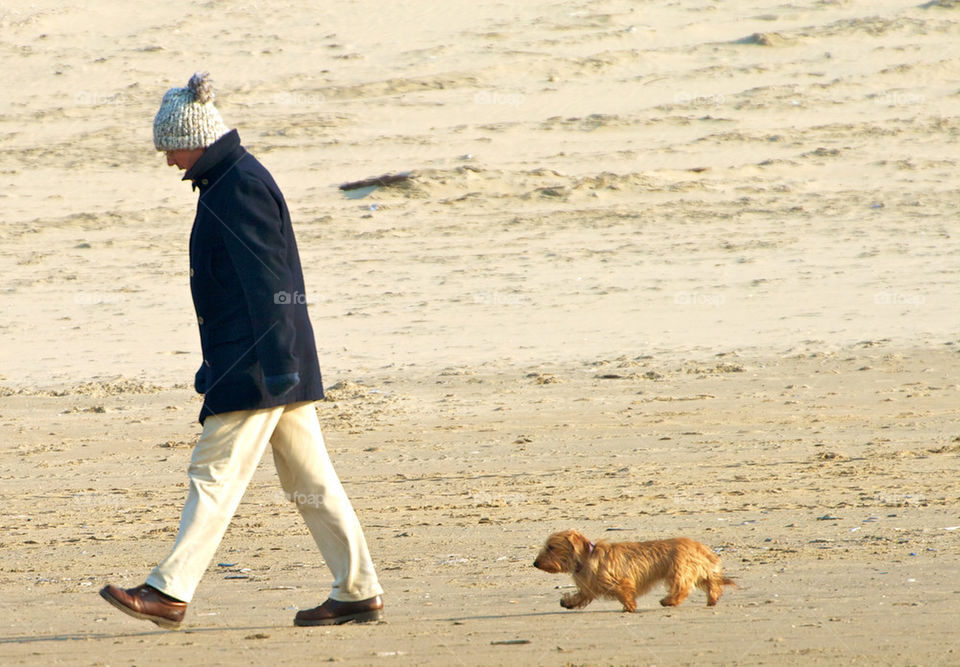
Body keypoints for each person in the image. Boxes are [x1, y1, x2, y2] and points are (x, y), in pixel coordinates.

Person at [99, 72, 383, 629]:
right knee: (311, 483)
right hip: (269, 361)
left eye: (170, 148)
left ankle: (169, 591)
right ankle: (356, 590)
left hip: (258, 365)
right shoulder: (226, 180)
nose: (168, 161)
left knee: (214, 472)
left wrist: (276, 366)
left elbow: (272, 284)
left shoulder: (240, 185)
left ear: (195, 136)